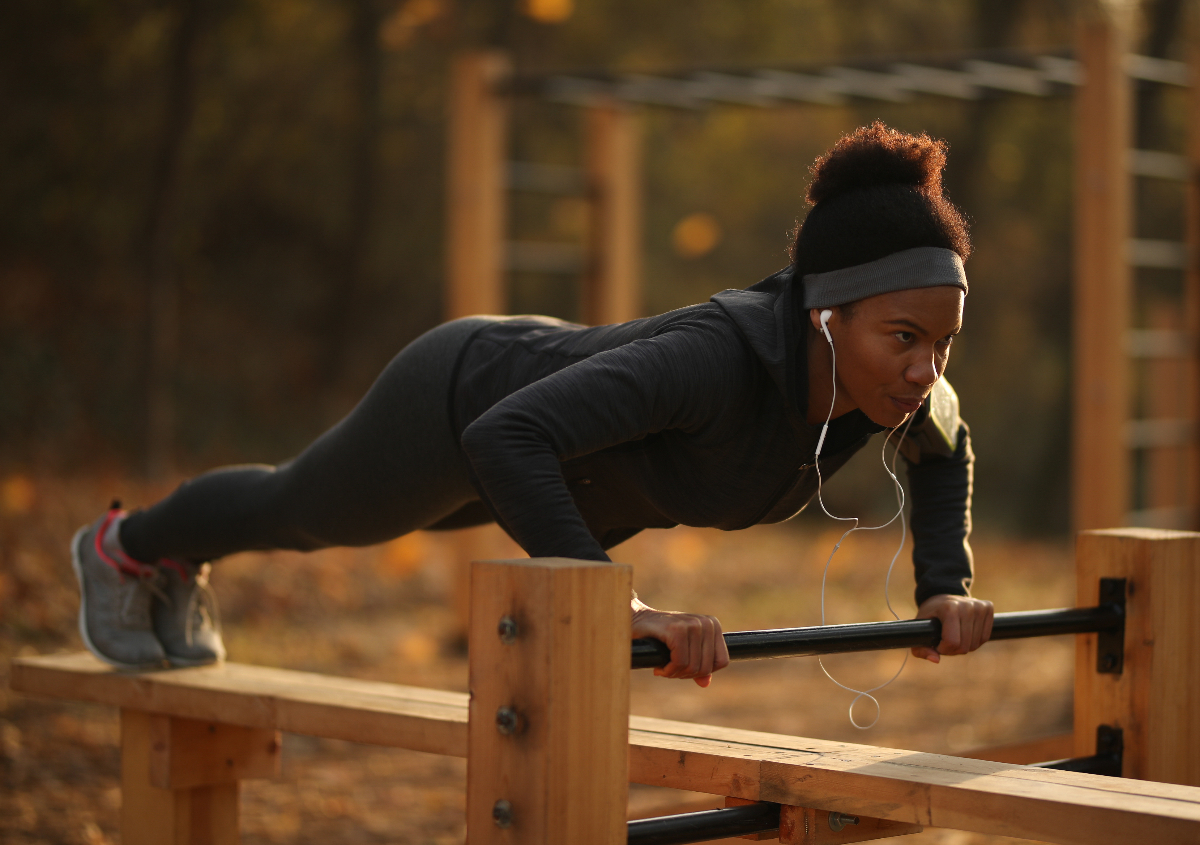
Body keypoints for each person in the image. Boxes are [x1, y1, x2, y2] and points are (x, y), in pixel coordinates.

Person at [72, 121, 994, 682]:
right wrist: (614, 606)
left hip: (550, 469)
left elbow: (946, 448)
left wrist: (944, 581)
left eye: (942, 342)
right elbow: (505, 431)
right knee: (304, 511)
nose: (926, 370)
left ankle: (158, 557)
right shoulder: (711, 361)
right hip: (464, 397)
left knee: (345, 514)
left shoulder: (896, 391)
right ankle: (127, 549)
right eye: (904, 338)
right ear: (825, 313)